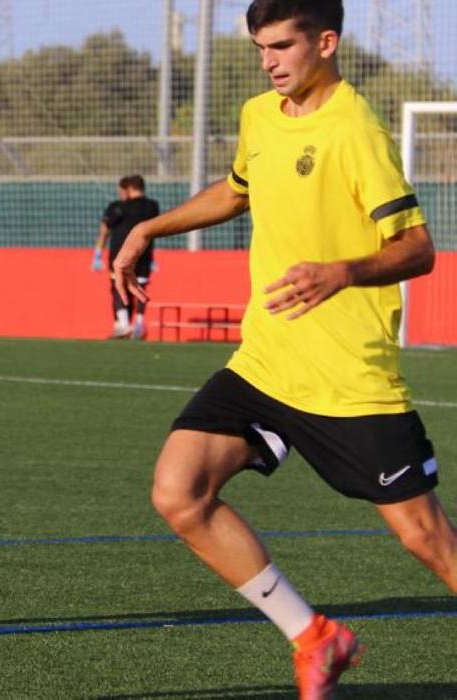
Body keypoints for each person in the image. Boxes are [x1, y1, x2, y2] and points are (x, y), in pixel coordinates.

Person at [112, 1, 456, 698]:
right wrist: (153, 229)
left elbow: (418, 248)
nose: (269, 61)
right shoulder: (259, 117)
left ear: (325, 42)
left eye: (281, 46)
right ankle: (315, 638)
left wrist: (343, 271)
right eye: (260, 48)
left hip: (347, 375)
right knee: (179, 492)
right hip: (266, 362)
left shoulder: (356, 129)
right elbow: (238, 191)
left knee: (426, 539)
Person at [92, 175, 159, 339]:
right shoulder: (152, 207)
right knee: (140, 287)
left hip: (120, 255)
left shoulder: (118, 207)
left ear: (128, 189)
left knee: (118, 286)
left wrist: (98, 253)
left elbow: (105, 228)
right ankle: (138, 325)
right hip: (144, 254)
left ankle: (123, 325)